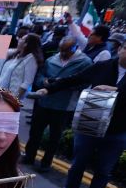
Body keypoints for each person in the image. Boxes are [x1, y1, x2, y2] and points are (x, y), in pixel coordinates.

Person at [36, 42, 126, 188]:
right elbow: (74, 79)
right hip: (91, 119)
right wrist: (49, 89)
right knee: (78, 164)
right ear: (120, 49)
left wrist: (118, 91)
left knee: (103, 170)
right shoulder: (103, 66)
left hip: (117, 129)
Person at [23, 36, 93, 172]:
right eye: (61, 50)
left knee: (54, 137)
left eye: (66, 50)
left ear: (74, 48)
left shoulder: (85, 62)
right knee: (35, 132)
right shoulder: (51, 60)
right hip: (44, 102)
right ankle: (29, 156)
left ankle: (46, 163)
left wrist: (63, 84)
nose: (63, 53)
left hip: (64, 105)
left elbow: (85, 82)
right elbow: (39, 76)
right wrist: (44, 82)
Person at [0, 33, 43, 101]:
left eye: (22, 39)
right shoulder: (17, 55)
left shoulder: (31, 59)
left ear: (26, 44)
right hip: (1, 94)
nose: (19, 39)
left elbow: (26, 83)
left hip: (11, 98)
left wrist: (15, 99)